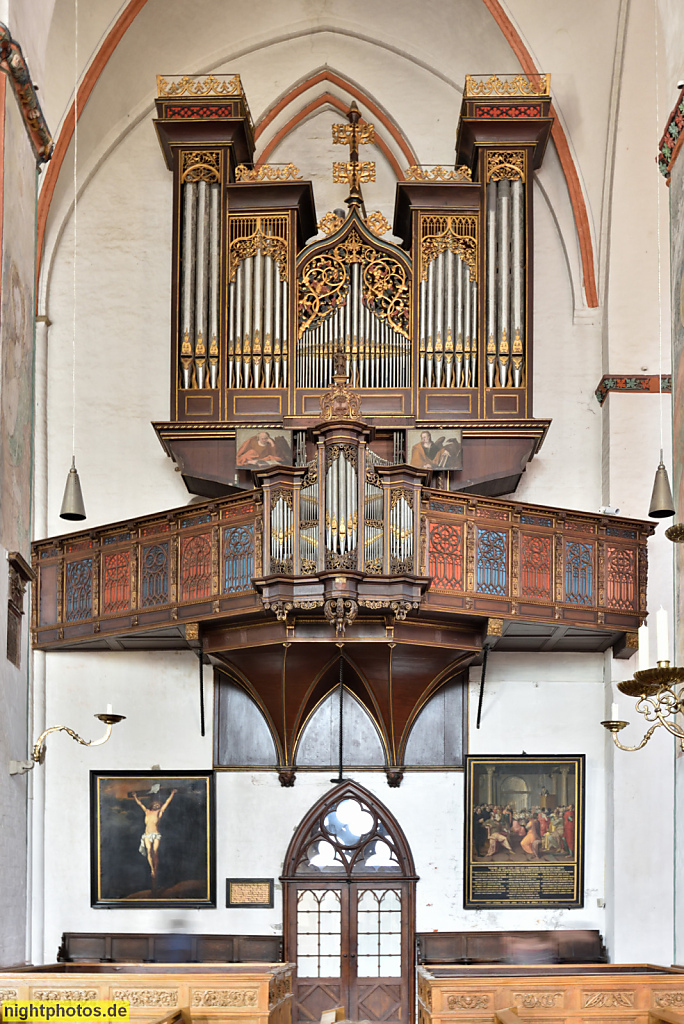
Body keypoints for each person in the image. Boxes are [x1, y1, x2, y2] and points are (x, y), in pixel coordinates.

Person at [132, 788, 177, 887]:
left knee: (155, 851)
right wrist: (135, 797)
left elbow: (167, 803)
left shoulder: (159, 813)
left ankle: (155, 869)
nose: (156, 805)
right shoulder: (147, 811)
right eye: (155, 804)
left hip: (155, 834)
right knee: (149, 851)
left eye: (158, 805)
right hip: (147, 834)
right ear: (152, 805)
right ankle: (152, 869)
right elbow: (140, 804)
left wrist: (172, 794)